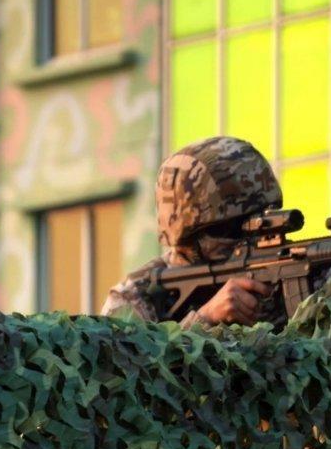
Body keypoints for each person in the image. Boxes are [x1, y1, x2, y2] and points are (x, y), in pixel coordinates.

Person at [103, 136, 290, 328]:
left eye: (261, 215)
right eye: (234, 227)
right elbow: (126, 358)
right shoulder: (134, 297)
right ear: (190, 235)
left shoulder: (286, 267)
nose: (252, 233)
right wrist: (204, 319)